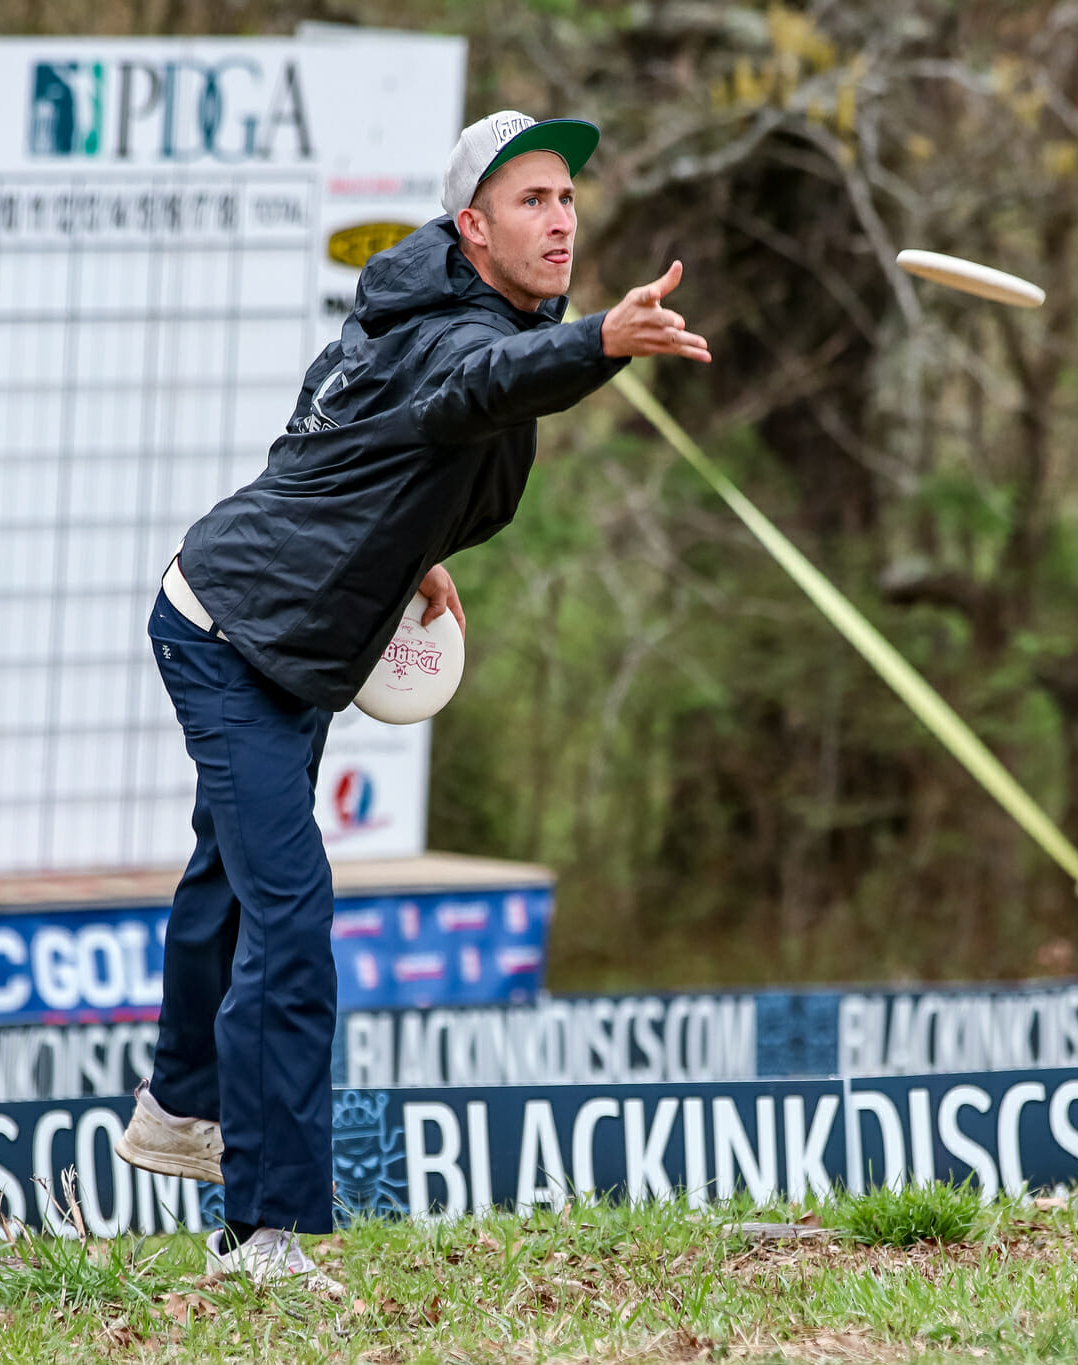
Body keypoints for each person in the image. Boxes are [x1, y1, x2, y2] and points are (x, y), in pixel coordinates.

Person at [116, 110, 710, 1281]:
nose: (560, 218)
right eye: (530, 199)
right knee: (290, 924)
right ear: (471, 227)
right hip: (229, 634)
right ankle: (264, 1233)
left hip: (291, 638)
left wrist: (409, 548)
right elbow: (479, 384)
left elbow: (342, 454)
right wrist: (600, 339)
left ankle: (178, 1105)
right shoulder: (455, 337)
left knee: (228, 883)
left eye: (566, 196)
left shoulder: (414, 311)